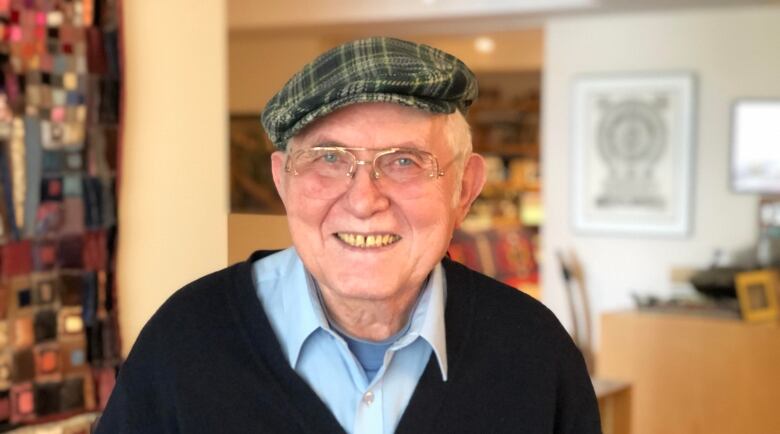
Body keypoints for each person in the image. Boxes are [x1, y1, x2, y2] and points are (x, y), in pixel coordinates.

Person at [96, 37, 601, 434]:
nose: (363, 200)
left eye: (404, 161)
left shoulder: (534, 354)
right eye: (329, 159)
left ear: (464, 189)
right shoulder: (185, 342)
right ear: (282, 181)